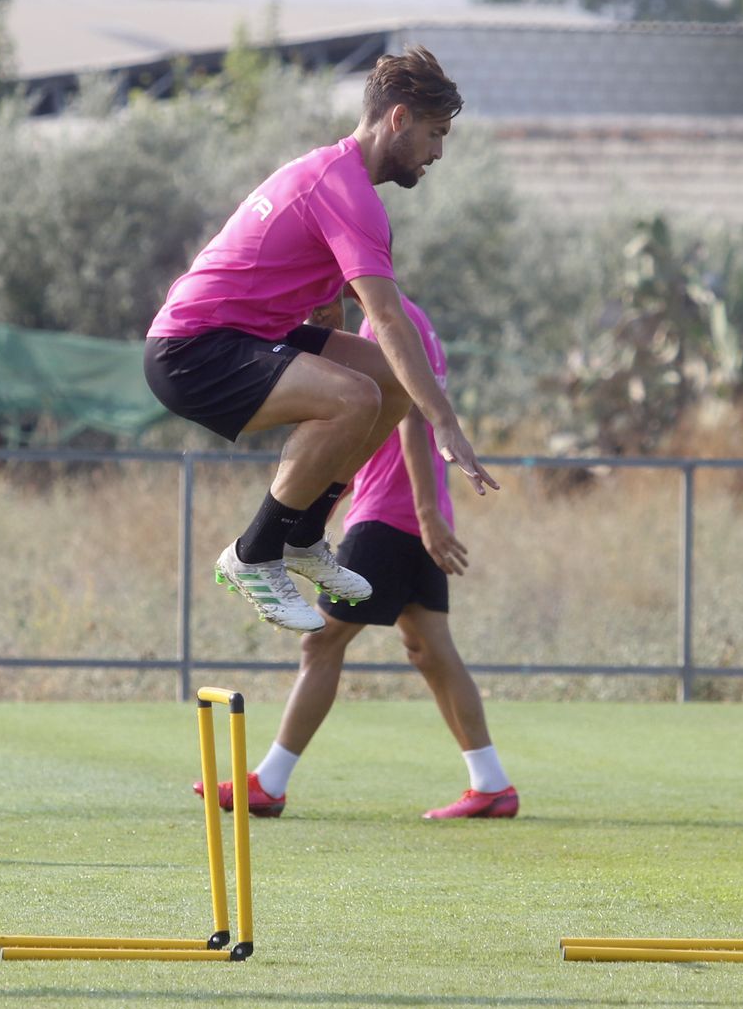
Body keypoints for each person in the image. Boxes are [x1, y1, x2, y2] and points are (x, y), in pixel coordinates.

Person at [143, 47, 497, 635]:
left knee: (388, 382)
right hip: (192, 352)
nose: (438, 153)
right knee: (355, 396)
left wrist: (328, 310)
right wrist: (447, 424)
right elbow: (387, 316)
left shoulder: (335, 176)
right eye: (436, 135)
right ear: (399, 119)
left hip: (238, 335)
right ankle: (255, 553)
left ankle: (305, 536)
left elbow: (327, 291)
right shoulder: (347, 191)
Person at [197, 292, 518, 821]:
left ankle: (269, 783)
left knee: (320, 645)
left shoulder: (379, 331)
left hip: (388, 516)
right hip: (408, 514)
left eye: (317, 303)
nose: (312, 318)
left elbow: (414, 417)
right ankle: (491, 783)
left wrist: (424, 511)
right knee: (430, 649)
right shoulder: (414, 318)